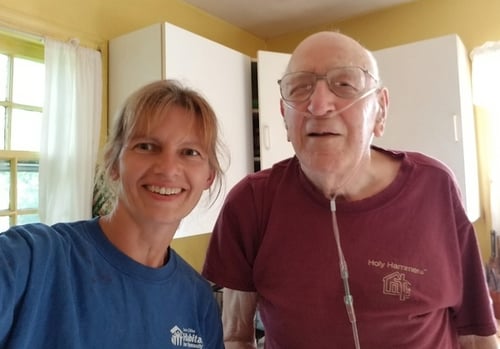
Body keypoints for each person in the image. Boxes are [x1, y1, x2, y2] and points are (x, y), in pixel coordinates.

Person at [202, 31, 498, 348]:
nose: (317, 105)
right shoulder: (250, 203)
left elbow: (477, 333)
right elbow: (235, 335)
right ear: (284, 116)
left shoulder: (434, 186)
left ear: (380, 110)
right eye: (299, 88)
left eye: (344, 84)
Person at [0, 80, 225, 348]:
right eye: (146, 146)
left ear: (208, 176)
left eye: (190, 152)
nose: (167, 168)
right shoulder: (33, 258)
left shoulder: (198, 300)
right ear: (113, 163)